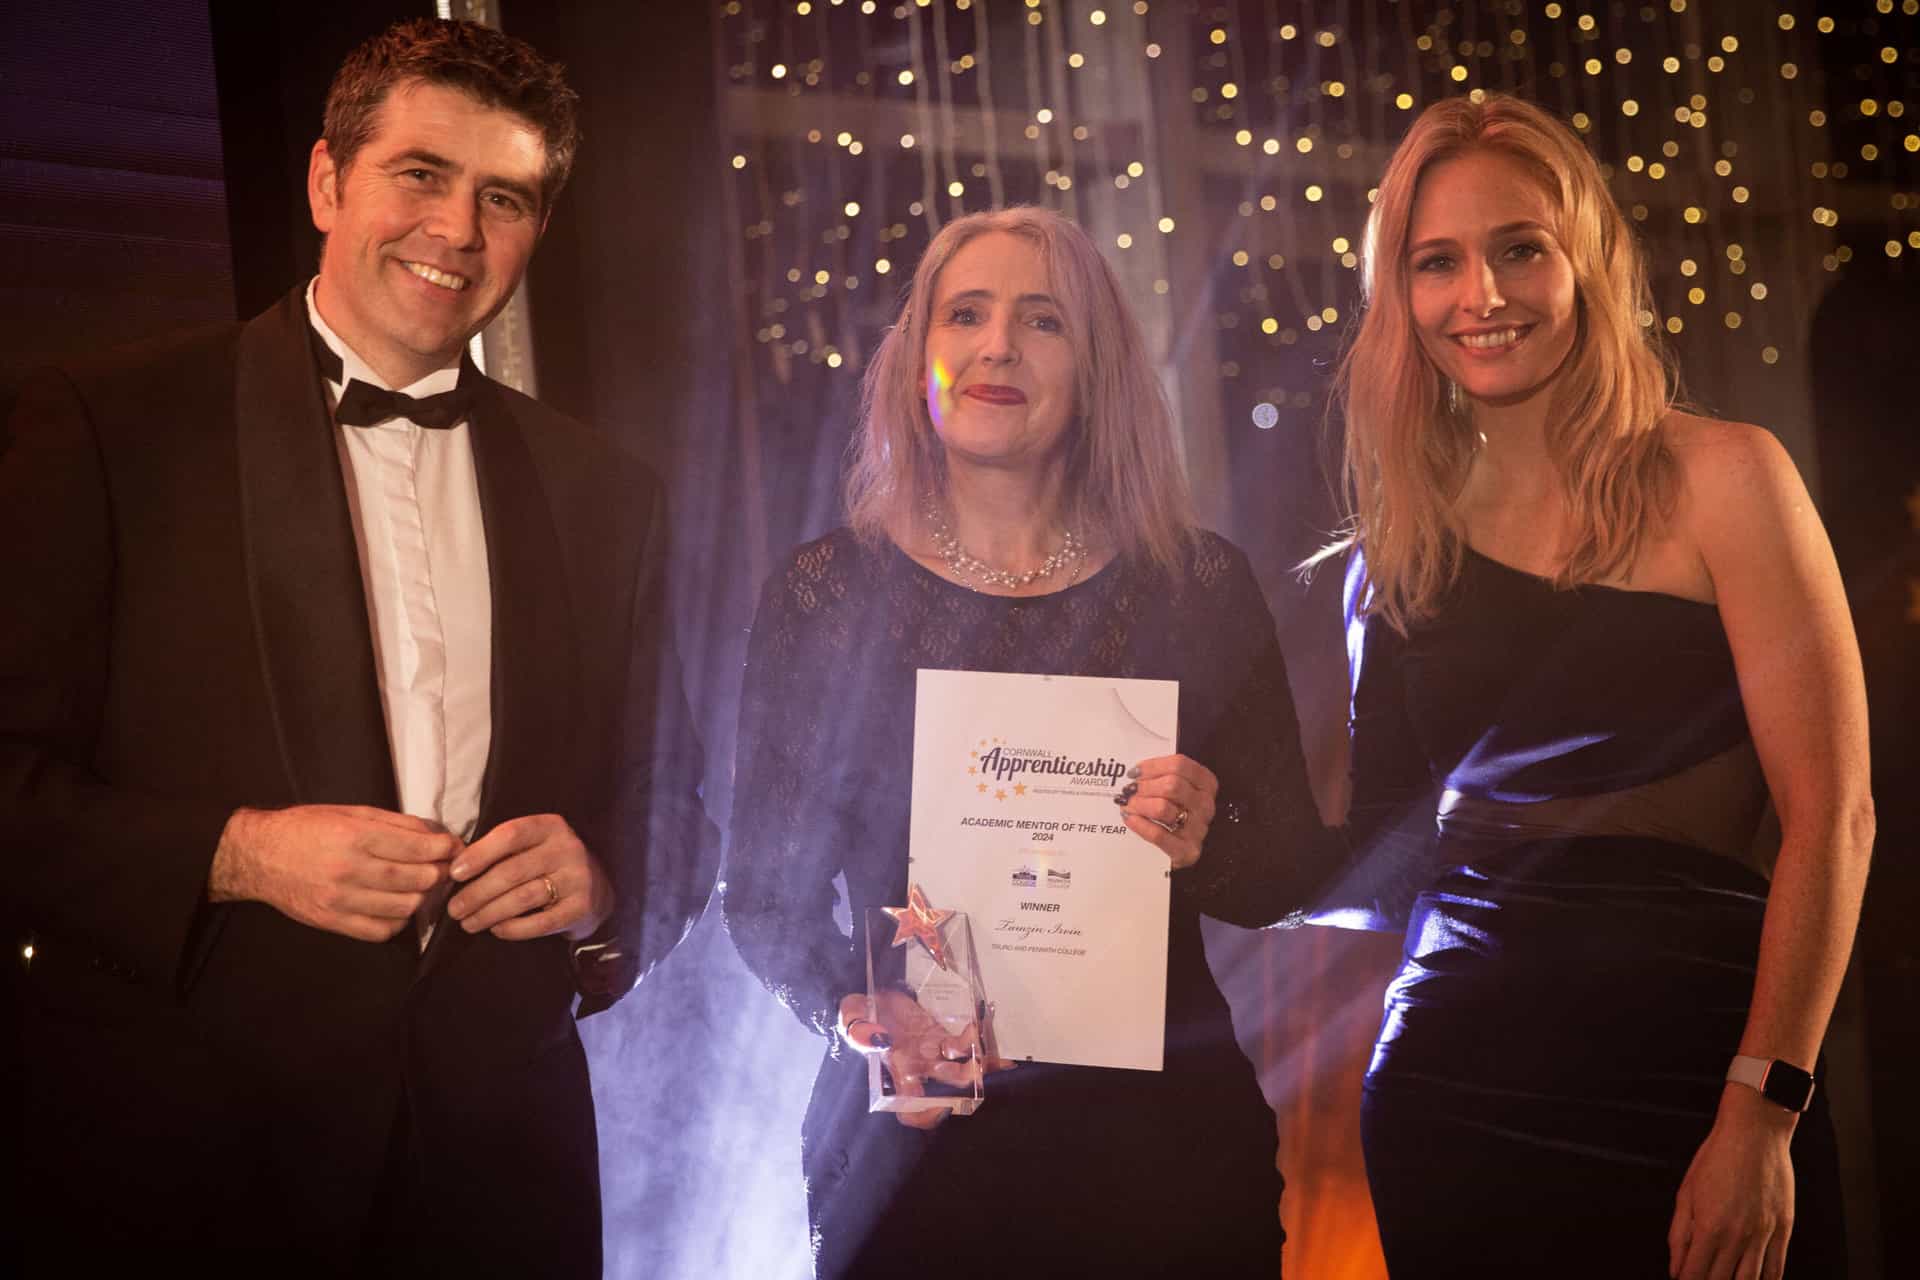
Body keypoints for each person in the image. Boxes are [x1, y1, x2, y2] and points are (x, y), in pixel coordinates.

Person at [0, 19, 716, 1274]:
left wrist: (602, 878)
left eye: (504, 197)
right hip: (190, 1168)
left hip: (504, 1173)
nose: (457, 231)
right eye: (421, 175)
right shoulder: (109, 426)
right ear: (329, 180)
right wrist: (239, 852)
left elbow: (674, 809)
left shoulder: (609, 490)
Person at [721, 206, 1342, 1277]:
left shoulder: (1197, 585)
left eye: (1042, 320)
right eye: (966, 314)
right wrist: (858, 1014)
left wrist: (1208, 833)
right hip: (913, 1146)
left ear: (1095, 369)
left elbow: (1285, 868)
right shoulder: (825, 594)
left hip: (1164, 1158)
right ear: (921, 357)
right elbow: (765, 897)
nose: (998, 344)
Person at [1319, 93, 1872, 1278]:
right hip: (1451, 1095)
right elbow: (1374, 873)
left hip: (1706, 1080)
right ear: (1400, 299)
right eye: (1438, 262)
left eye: (1521, 248)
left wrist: (1761, 1111)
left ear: (1587, 260)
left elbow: (1837, 820)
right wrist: (1207, 825)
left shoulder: (1728, 477)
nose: (1485, 295)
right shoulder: (1395, 552)